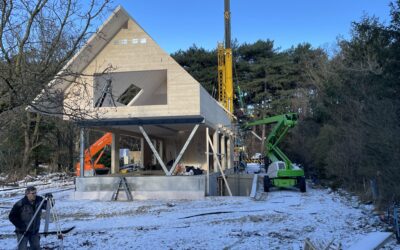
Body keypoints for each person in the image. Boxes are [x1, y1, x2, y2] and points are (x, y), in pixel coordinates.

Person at [9, 186, 51, 250]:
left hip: (34, 231)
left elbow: (49, 206)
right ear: (27, 194)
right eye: (33, 193)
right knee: (22, 248)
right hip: (23, 231)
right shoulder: (20, 203)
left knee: (36, 248)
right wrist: (21, 226)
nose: (35, 195)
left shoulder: (39, 200)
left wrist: (50, 199)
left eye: (35, 193)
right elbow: (12, 216)